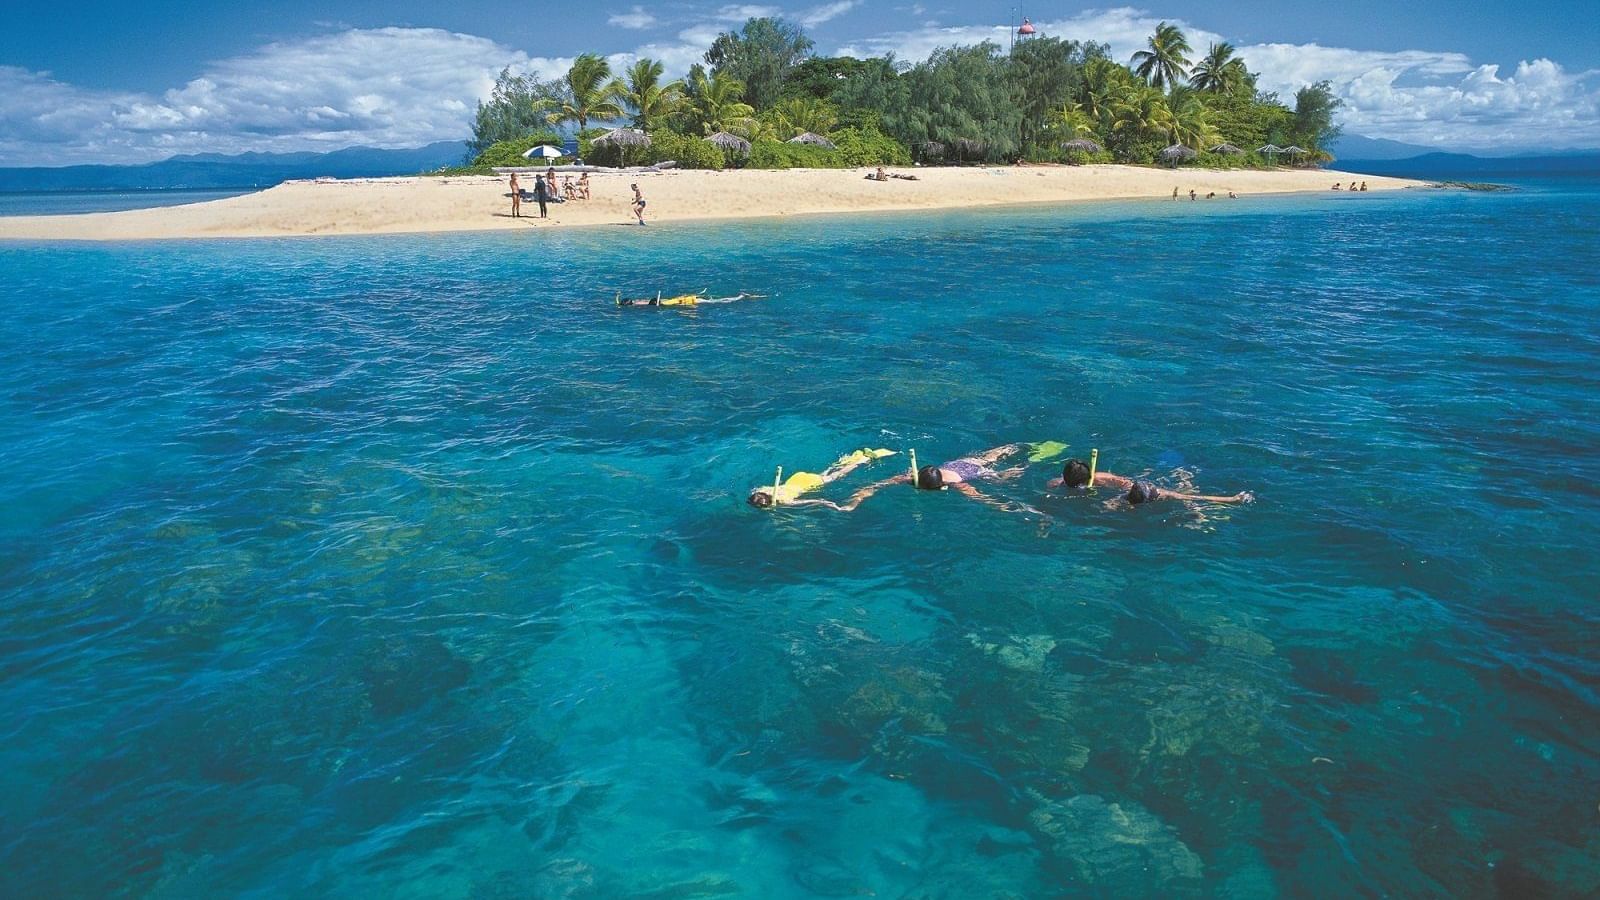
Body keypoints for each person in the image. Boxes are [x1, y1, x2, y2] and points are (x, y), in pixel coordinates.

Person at [835, 444, 1036, 514]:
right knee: (990, 457)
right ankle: (1015, 447)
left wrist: (1003, 507)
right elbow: (874, 487)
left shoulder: (957, 484)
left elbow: (980, 497)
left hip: (971, 471)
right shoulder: (911, 477)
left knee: (999, 478)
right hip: (963, 462)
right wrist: (855, 501)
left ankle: (1023, 465)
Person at [1049, 458, 1253, 504]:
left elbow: (1127, 483)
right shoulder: (1056, 485)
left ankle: (1230, 499)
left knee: (1181, 495)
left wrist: (1131, 495)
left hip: (1140, 490)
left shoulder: (1102, 478)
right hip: (1122, 497)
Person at [747, 448, 897, 508]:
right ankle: (846, 460)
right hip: (797, 478)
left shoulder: (786, 501)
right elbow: (756, 492)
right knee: (826, 472)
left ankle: (860, 461)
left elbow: (816, 500)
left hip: (810, 484)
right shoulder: (764, 490)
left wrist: (833, 505)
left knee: (837, 476)